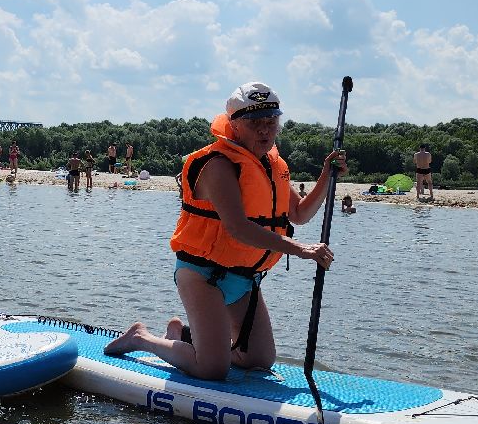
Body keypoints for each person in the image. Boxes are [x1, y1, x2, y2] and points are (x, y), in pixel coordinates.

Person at [104, 82, 344, 380]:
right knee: (212, 368)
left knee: (259, 359)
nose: (265, 130)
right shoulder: (218, 164)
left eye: (271, 122)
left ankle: (184, 336)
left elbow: (299, 214)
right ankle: (141, 337)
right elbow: (238, 228)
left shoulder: (272, 164)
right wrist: (302, 250)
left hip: (243, 277)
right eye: (255, 123)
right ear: (234, 125)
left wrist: (327, 176)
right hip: (203, 274)